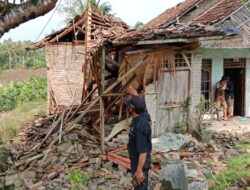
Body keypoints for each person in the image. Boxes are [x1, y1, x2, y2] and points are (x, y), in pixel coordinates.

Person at [124, 95, 152, 190]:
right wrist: (135, 94)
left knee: (140, 186)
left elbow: (143, 153)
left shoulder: (139, 127)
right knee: (137, 185)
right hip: (141, 160)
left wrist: (139, 170)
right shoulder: (144, 114)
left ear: (131, 109)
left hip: (140, 162)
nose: (127, 108)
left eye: (128, 106)